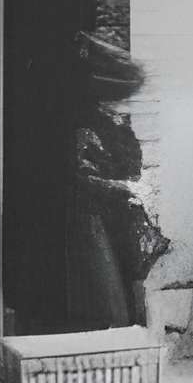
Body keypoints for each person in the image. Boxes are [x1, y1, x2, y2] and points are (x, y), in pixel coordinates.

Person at [67, 34, 164, 331]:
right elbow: (82, 177)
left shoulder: (119, 126)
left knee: (135, 294)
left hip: (124, 218)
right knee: (110, 300)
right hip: (94, 217)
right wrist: (125, 187)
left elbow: (132, 165)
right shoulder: (87, 125)